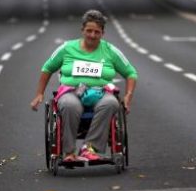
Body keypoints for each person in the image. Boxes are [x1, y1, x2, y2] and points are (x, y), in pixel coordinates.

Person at [30, 10, 137, 162]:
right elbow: (47, 68)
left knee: (111, 103)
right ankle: (69, 153)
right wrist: (39, 94)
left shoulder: (110, 50)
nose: (92, 35)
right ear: (82, 30)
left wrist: (128, 96)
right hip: (71, 91)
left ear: (102, 33)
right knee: (69, 105)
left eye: (97, 32)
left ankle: (89, 148)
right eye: (89, 31)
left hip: (100, 92)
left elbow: (131, 73)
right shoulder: (67, 48)